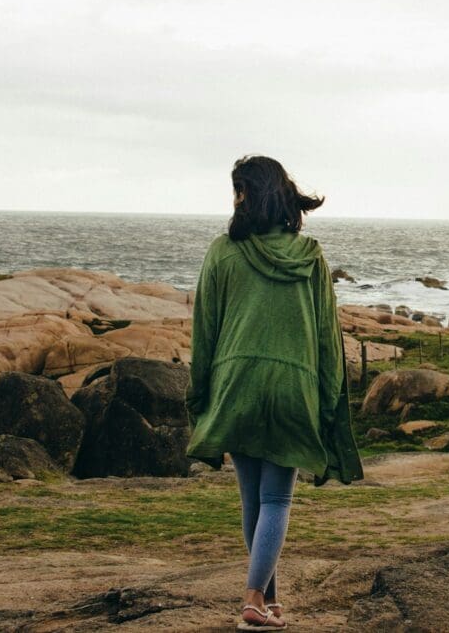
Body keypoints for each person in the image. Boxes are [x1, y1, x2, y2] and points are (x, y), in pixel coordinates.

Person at [184, 155, 364, 631]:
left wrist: (198, 393)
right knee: (276, 502)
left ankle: (261, 599)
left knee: (253, 502)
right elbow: (329, 337)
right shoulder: (311, 257)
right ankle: (256, 600)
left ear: (250, 195)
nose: (235, 199)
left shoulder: (223, 252)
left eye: (238, 190)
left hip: (235, 386)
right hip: (291, 388)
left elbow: (205, 330)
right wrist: (327, 402)